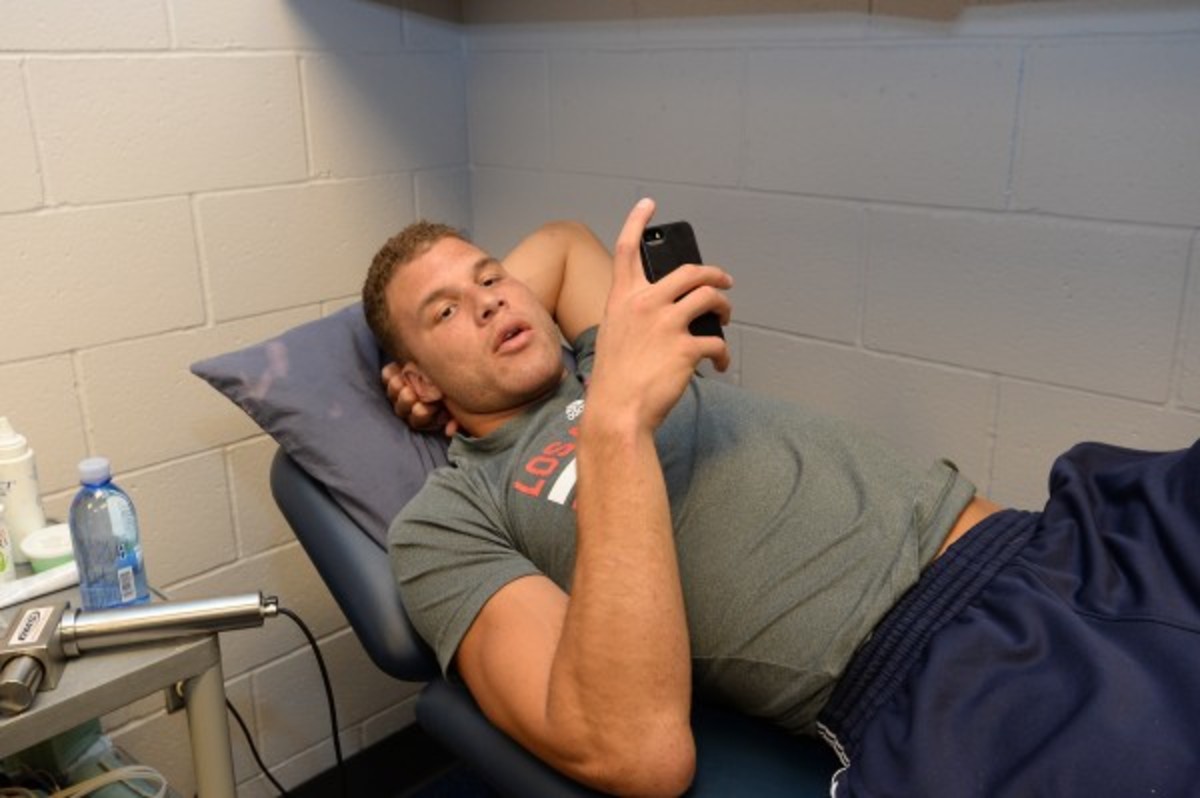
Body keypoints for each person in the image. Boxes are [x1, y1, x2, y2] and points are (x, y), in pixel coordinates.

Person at [362, 199, 1200, 797]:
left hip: (1062, 535)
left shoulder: (597, 355)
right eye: (446, 313)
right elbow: (631, 752)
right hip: (938, 670)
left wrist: (473, 313)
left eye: (494, 279)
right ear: (409, 377)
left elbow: (564, 240)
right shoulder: (449, 517)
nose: (494, 300)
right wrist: (613, 425)